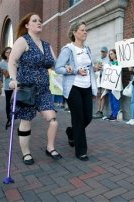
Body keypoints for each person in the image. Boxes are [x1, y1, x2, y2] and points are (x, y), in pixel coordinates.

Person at [8, 13, 62, 165]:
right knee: (26, 121)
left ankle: (50, 148)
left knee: (53, 120)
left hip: (44, 90)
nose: (39, 23)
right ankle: (26, 153)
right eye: (35, 21)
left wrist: (69, 67)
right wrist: (13, 79)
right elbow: (12, 61)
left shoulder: (46, 45)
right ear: (27, 25)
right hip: (27, 90)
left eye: (40, 21)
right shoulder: (23, 41)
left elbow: (56, 65)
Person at [55, 21, 97, 161]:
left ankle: (71, 132)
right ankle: (81, 150)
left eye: (86, 30)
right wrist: (73, 70)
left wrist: (95, 68)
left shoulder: (87, 49)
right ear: (74, 33)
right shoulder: (68, 49)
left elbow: (89, 68)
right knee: (78, 118)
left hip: (87, 87)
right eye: (82, 30)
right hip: (73, 88)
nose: (85, 32)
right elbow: (58, 67)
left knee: (88, 117)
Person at [92, 46, 109, 119]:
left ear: (106, 52)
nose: (102, 53)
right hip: (98, 79)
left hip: (104, 79)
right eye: (102, 51)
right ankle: (98, 110)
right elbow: (94, 68)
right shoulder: (98, 59)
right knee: (98, 95)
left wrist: (104, 68)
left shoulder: (108, 60)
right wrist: (96, 67)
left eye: (104, 52)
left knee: (103, 95)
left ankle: (101, 111)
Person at [105, 49, 121, 121]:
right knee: (111, 100)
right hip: (110, 84)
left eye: (112, 53)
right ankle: (112, 113)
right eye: (110, 54)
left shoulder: (118, 62)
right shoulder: (109, 63)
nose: (110, 55)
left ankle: (115, 114)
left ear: (115, 54)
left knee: (115, 99)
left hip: (116, 84)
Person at [0, 47, 13, 129]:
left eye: (11, 52)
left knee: (18, 102)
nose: (9, 54)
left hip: (17, 85)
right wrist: (12, 66)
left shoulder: (17, 61)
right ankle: (9, 119)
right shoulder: (3, 62)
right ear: (4, 54)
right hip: (8, 85)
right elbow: (6, 75)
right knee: (8, 103)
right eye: (7, 52)